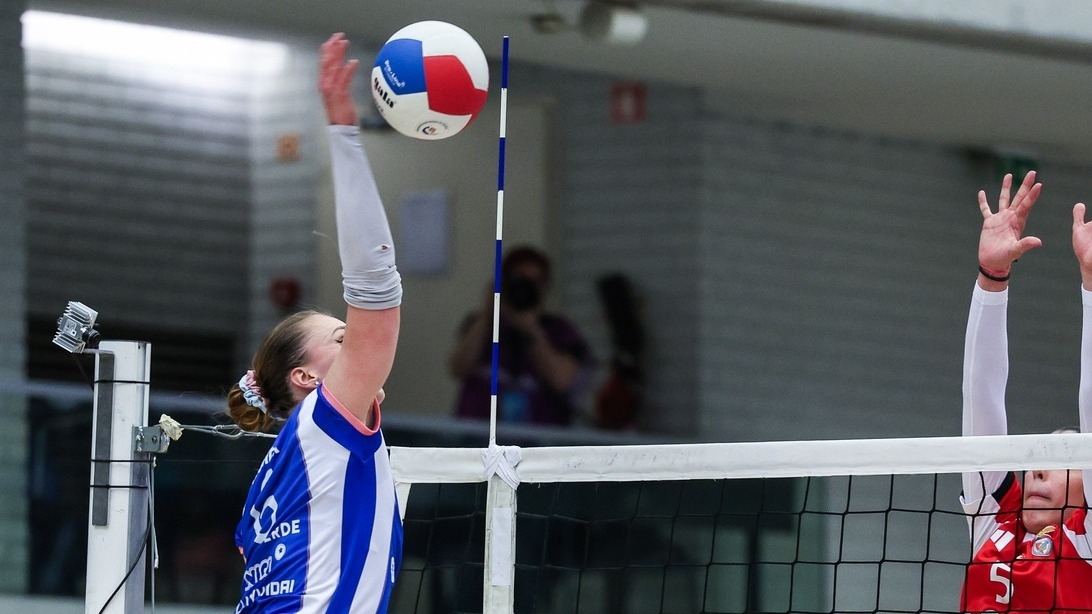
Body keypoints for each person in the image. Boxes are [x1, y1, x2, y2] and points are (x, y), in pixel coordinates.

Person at [225, 33, 403, 613]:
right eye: (341, 339)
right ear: (306, 379)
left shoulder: (274, 482)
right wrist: (344, 132)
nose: (358, 347)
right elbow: (375, 289)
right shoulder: (324, 422)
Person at [960, 170, 1092, 612]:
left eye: (1060, 463)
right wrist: (991, 277)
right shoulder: (993, 517)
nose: (1036, 472)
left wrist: (1091, 287)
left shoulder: (1084, 540)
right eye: (1037, 460)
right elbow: (980, 393)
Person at [448, 245, 593, 426]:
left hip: (540, 443)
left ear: (545, 287)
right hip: (478, 439)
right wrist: (489, 314)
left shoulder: (560, 331)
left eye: (534, 283)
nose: (525, 289)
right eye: (519, 281)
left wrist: (531, 330)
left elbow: (561, 380)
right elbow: (458, 368)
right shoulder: (481, 324)